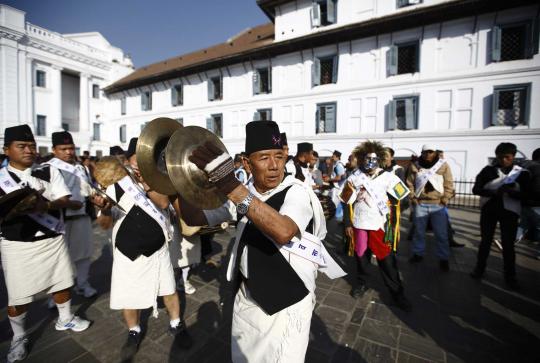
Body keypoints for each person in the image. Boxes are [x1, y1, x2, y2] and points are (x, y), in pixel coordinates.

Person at [182, 120, 345, 363]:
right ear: (247, 163)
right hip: (248, 298)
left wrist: (229, 184)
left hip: (287, 305)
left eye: (279, 156)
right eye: (264, 157)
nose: (274, 166)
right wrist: (180, 181)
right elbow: (195, 217)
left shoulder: (296, 192)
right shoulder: (245, 191)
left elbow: (283, 230)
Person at [95, 138, 192, 361]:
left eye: (144, 160)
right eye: (135, 159)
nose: (139, 164)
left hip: (157, 250)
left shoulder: (159, 181)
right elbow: (104, 224)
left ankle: (176, 323)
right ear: (127, 160)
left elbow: (164, 204)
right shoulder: (114, 185)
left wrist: (147, 183)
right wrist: (105, 210)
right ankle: (134, 330)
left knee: (168, 289)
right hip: (126, 253)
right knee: (129, 296)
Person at [0, 125, 91, 363]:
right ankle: (19, 336)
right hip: (17, 244)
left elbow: (64, 199)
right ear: (6, 149)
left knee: (62, 284)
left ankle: (65, 318)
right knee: (19, 298)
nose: (29, 150)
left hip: (53, 238)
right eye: (21, 146)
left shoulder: (48, 171)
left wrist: (45, 205)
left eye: (31, 145)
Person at [342, 141, 411, 311]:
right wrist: (347, 223)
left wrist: (392, 211)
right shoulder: (354, 177)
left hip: (380, 226)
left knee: (386, 260)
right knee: (361, 257)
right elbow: (345, 201)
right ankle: (362, 283)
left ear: (379, 160)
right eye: (366, 159)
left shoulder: (388, 177)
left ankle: (397, 292)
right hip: (359, 224)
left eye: (373, 159)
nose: (370, 163)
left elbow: (404, 200)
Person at [45, 131, 97, 298]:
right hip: (59, 220)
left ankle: (82, 283)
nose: (68, 152)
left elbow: (87, 190)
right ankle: (57, 294)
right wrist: (67, 204)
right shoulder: (47, 168)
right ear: (54, 150)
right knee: (58, 259)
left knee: (84, 254)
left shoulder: (80, 167)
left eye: (71, 148)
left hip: (81, 217)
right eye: (63, 148)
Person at [470, 143, 529, 290]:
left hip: (510, 212)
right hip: (489, 210)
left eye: (507, 157)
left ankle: (510, 277)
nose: (503, 160)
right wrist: (493, 192)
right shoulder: (487, 171)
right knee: (485, 242)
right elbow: (476, 189)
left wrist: (512, 192)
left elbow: (527, 195)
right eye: (500, 157)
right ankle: (479, 269)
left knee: (508, 245)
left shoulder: (521, 173)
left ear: (513, 157)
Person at [406, 144, 454, 271]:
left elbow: (449, 183)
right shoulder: (415, 165)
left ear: (435, 153)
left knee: (441, 234)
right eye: (425, 152)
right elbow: (409, 183)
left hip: (437, 204)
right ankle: (418, 254)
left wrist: (445, 199)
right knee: (418, 232)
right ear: (421, 153)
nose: (427, 154)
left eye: (430, 152)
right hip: (420, 203)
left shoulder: (443, 165)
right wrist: (413, 198)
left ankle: (443, 258)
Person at [519, 148, 540, 249]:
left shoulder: (526, 167)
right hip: (536, 203)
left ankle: (507, 243)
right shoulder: (538, 168)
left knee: (522, 225)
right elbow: (537, 188)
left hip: (524, 202)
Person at [328, 150, 346, 221]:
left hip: (337, 188)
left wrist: (329, 180)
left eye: (333, 156)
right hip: (335, 187)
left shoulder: (339, 165)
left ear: (337, 157)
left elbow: (339, 178)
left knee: (335, 204)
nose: (332, 157)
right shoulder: (335, 164)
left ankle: (336, 220)